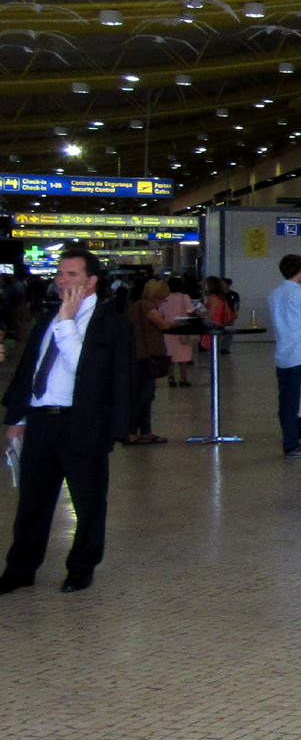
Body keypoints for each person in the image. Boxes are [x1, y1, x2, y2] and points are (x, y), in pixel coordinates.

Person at [0, 249, 134, 594]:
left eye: (72, 274)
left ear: (91, 281)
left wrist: (68, 322)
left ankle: (81, 567)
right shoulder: (46, 319)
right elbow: (31, 368)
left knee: (88, 501)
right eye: (60, 273)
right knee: (32, 501)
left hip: (83, 422)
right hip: (42, 421)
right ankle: (21, 568)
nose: (62, 280)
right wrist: (19, 417)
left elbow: (88, 372)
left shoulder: (111, 324)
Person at [268, 254, 301, 459]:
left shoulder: (274, 294)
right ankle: (291, 443)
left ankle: (290, 438)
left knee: (285, 401)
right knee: (296, 402)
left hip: (282, 354)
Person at [125, 278, 172, 445]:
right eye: (162, 298)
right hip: (144, 356)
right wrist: (169, 322)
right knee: (141, 396)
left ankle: (144, 431)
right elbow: (162, 323)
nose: (163, 301)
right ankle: (132, 432)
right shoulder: (146, 306)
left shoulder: (136, 306)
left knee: (145, 396)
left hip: (138, 356)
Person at [159, 277, 196, 387]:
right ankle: (183, 378)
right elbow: (190, 311)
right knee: (183, 357)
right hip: (182, 329)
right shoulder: (184, 297)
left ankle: (171, 377)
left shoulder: (164, 298)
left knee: (170, 355)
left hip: (168, 329)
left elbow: (160, 313)